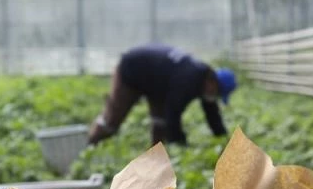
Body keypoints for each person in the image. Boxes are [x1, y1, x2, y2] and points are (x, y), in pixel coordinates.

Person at [87, 44, 237, 146]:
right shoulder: (189, 80)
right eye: (217, 93)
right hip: (132, 70)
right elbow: (173, 114)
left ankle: (154, 162)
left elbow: (213, 115)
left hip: (156, 81)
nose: (214, 97)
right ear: (213, 81)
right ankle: (90, 144)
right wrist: (180, 144)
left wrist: (224, 141)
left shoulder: (204, 80)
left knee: (160, 124)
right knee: (113, 121)